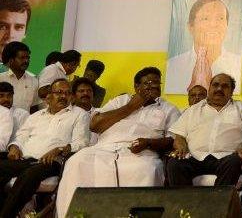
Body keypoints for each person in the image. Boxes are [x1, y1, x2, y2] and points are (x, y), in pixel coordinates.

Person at [55, 67, 180, 218]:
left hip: (142, 152)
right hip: (103, 149)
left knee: (145, 169)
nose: (153, 86)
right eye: (148, 83)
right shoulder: (120, 100)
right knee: (76, 162)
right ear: (136, 87)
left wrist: (148, 143)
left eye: (156, 83)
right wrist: (130, 107)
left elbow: (172, 139)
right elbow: (95, 125)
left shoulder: (169, 109)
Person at [0, 79, 88, 217]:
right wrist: (15, 146)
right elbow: (21, 135)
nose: (63, 96)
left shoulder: (79, 114)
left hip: (52, 162)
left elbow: (82, 142)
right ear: (49, 97)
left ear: (71, 96)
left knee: (30, 174)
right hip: (25, 160)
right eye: (59, 92)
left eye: (67, 93)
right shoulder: (36, 116)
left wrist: (60, 149)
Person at [166, 73, 242, 187]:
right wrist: (181, 147)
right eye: (215, 85)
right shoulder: (193, 110)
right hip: (194, 157)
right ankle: (185, 204)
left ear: (231, 91)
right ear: (210, 88)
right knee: (174, 163)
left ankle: (218, 204)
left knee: (234, 161)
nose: (219, 88)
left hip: (226, 157)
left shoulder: (241, 108)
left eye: (225, 86)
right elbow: (179, 136)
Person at [165, 0, 242, 94]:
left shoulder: (238, 64)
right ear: (190, 27)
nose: (213, 24)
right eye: (205, 18)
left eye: (220, 18)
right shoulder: (173, 66)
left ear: (227, 26)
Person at [0, 42, 39, 112]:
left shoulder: (34, 81)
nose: (26, 61)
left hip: (25, 122)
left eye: (28, 58)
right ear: (11, 60)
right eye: (22, 58)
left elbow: (34, 108)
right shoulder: (1, 78)